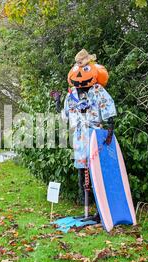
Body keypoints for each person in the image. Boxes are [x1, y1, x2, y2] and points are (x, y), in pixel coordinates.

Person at [55, 49, 116, 222]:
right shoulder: (72, 94)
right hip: (80, 137)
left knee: (97, 171)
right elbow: (64, 115)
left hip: (95, 135)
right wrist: (58, 102)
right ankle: (86, 208)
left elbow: (107, 107)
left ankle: (100, 208)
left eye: (84, 67)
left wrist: (110, 127)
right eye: (78, 67)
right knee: (83, 172)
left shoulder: (97, 90)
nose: (80, 72)